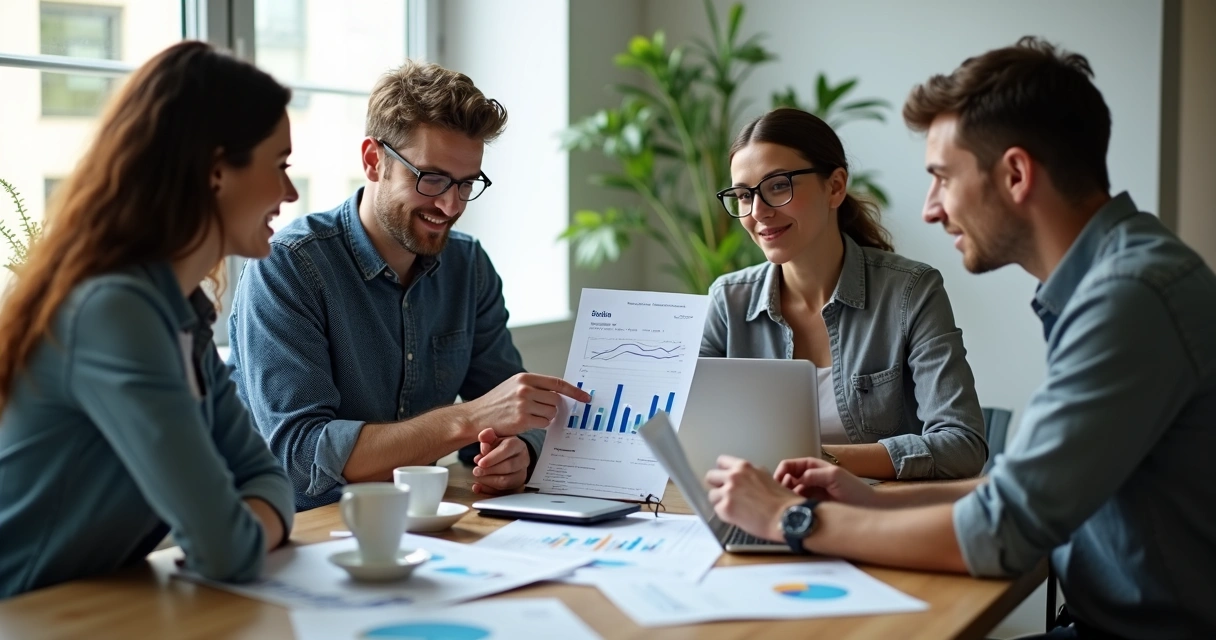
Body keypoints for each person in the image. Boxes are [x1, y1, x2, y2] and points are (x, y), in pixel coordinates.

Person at [704, 37, 1216, 638]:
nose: (929, 209)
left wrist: (791, 520)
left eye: (942, 177)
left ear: (1017, 174)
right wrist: (867, 497)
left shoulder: (1129, 297)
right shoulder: (1119, 276)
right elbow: (1015, 489)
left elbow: (1001, 531)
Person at [0, 41, 297, 599]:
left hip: (82, 610)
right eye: (278, 165)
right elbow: (224, 548)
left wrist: (246, 525)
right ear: (216, 170)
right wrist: (246, 529)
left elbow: (265, 477)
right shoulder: (113, 312)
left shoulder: (178, 311)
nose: (290, 191)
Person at [227, 59, 590, 510]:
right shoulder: (289, 268)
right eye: (431, 178)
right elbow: (303, 455)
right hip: (300, 533)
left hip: (421, 527)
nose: (450, 204)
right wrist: (468, 418)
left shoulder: (469, 266)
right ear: (373, 161)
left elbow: (513, 409)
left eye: (466, 183)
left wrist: (519, 453)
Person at [703, 108, 986, 480]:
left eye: (778, 186)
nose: (758, 213)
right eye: (743, 195)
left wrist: (817, 460)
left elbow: (963, 444)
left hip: (877, 518)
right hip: (762, 513)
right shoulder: (727, 301)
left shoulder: (910, 291)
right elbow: (683, 424)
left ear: (835, 186)